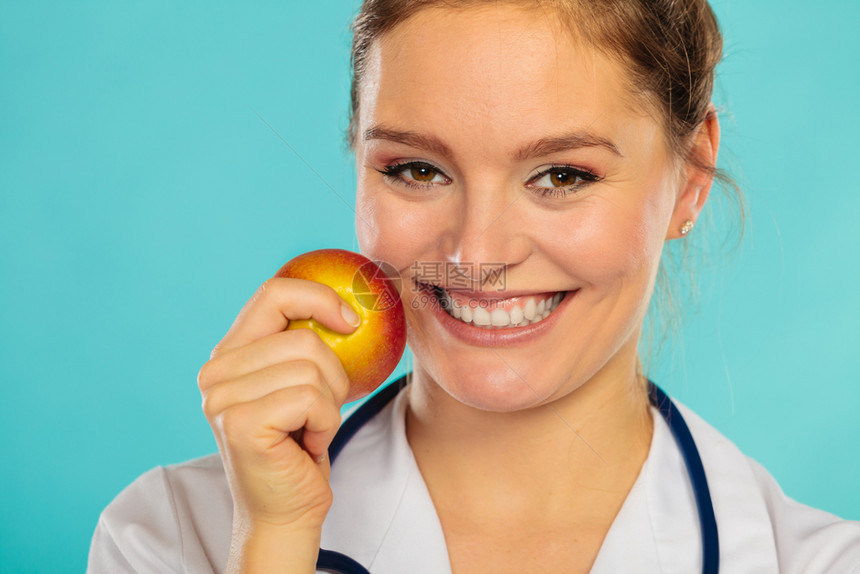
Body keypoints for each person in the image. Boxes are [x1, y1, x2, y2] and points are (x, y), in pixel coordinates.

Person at [88, 1, 860, 572]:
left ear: (690, 178)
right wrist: (275, 545)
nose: (476, 253)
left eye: (562, 175)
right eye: (417, 170)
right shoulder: (170, 537)